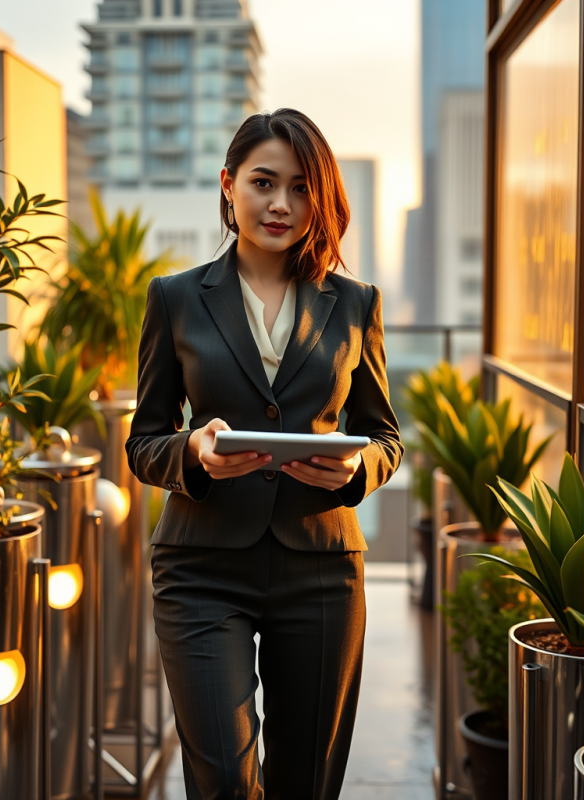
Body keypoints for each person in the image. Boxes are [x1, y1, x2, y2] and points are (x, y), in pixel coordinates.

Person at [125, 108, 403, 800]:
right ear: (228, 186)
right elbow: (143, 442)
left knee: (307, 779)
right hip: (201, 566)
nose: (282, 204)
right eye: (263, 182)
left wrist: (355, 468)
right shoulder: (176, 299)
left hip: (320, 568)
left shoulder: (355, 304)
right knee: (221, 774)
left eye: (303, 188)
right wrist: (191, 451)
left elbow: (385, 437)